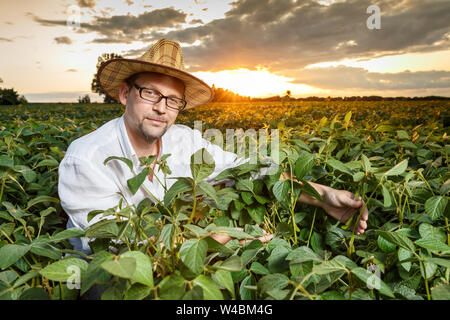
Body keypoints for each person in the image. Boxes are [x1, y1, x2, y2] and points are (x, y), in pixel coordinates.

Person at [58, 38, 368, 256]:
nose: (161, 109)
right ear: (125, 94)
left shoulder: (185, 139)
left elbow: (248, 173)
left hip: (182, 245)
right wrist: (225, 241)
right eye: (150, 93)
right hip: (112, 273)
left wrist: (323, 195)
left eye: (173, 100)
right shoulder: (86, 159)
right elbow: (122, 252)